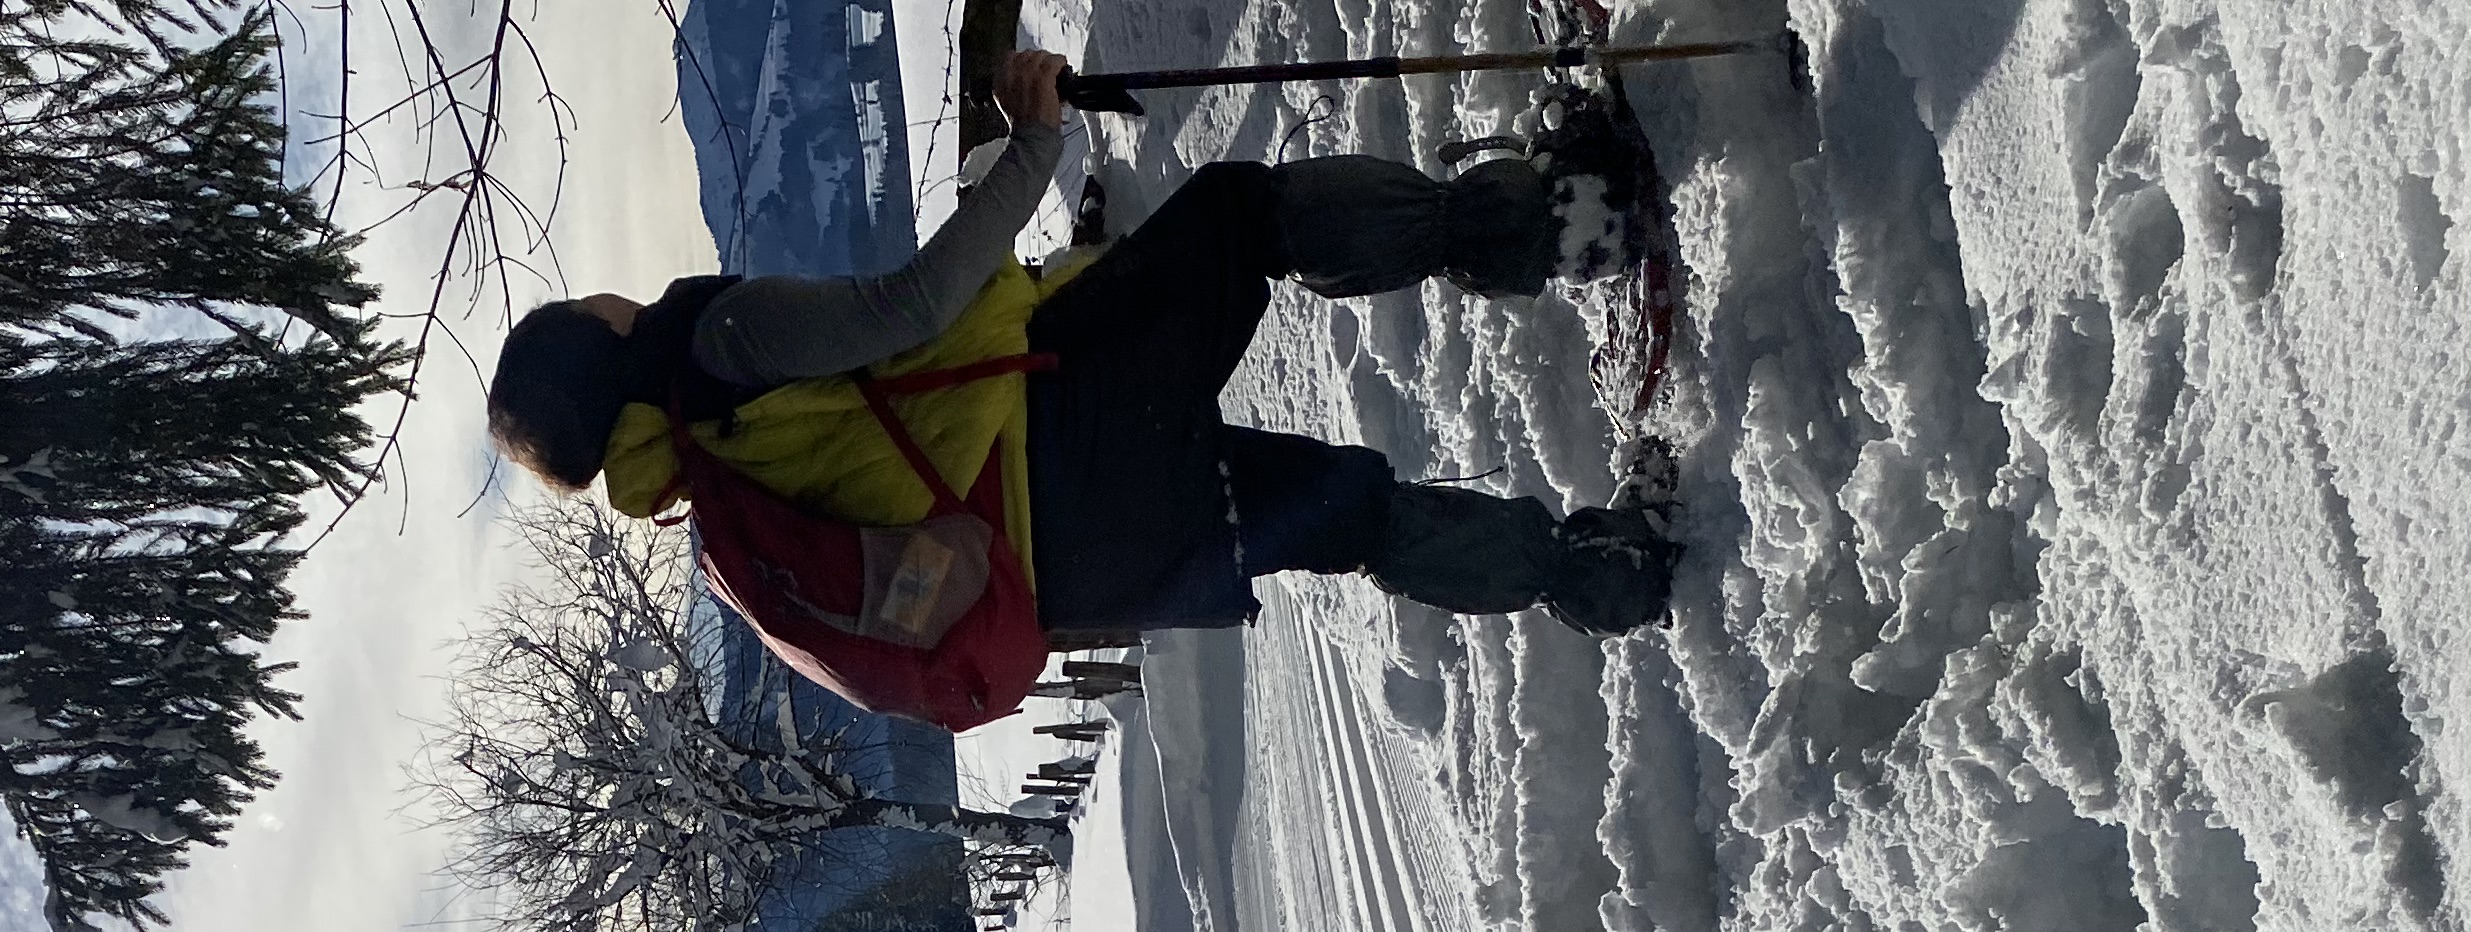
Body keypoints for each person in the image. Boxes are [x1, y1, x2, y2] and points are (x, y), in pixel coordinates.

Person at [483, 49, 1675, 647]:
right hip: (1063, 427)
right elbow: (910, 309)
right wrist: (1034, 143)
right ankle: (1559, 218)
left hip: (1073, 570)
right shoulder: (719, 349)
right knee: (1239, 216)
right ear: (592, 335)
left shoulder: (709, 498)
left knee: (1340, 519)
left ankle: (1596, 569)